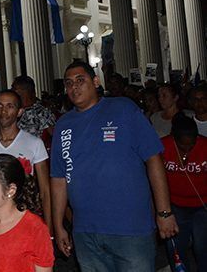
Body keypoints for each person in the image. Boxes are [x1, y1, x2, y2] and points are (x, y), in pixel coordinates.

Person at [50, 61, 178, 271]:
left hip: (130, 229)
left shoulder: (123, 108)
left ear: (96, 81)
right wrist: (59, 225)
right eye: (69, 83)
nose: (74, 87)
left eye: (80, 80)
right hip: (86, 232)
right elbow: (58, 178)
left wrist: (164, 212)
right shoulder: (63, 124)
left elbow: (153, 159)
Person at [0, 89, 52, 233]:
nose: (4, 111)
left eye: (10, 106)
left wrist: (48, 228)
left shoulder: (34, 143)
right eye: (0, 106)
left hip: (24, 216)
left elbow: (45, 190)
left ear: (19, 111)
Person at [161, 113, 207, 271]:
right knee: (176, 248)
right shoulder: (163, 146)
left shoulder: (205, 146)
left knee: (202, 247)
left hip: (201, 206)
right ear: (174, 138)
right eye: (182, 146)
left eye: (191, 145)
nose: (187, 150)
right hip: (175, 206)